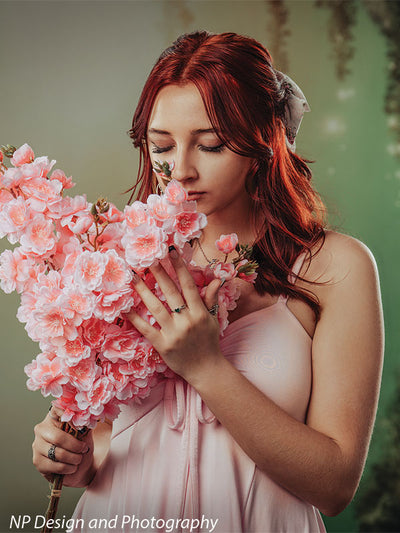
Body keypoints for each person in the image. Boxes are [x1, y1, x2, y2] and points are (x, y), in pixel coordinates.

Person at [32, 31, 384, 532]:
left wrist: (207, 368)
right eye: (161, 146)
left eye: (211, 145)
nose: (180, 171)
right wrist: (77, 457)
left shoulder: (335, 268)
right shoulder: (118, 261)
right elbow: (117, 435)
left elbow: (333, 486)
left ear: (263, 140)